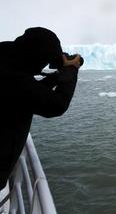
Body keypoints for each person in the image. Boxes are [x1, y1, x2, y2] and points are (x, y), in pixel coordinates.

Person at [0, 28, 82, 188]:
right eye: (45, 60)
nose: (45, 64)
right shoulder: (14, 78)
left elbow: (25, 94)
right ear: (36, 56)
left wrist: (55, 77)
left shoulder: (7, 62)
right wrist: (71, 71)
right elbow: (56, 105)